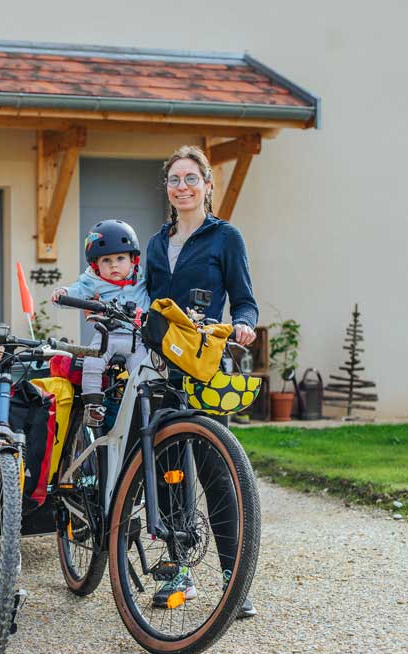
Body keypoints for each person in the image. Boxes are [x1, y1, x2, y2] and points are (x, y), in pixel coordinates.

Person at [145, 144, 259, 619]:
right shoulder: (156, 243)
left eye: (192, 178)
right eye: (175, 180)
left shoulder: (224, 237)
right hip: (160, 369)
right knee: (170, 474)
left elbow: (245, 299)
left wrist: (244, 324)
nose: (183, 187)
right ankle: (179, 573)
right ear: (167, 189)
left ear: (208, 186)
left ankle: (237, 584)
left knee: (216, 474)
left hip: (205, 366)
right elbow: (149, 301)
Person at [51, 219, 151, 426]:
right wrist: (64, 293)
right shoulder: (93, 281)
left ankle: (144, 409)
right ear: (96, 265)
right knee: (92, 363)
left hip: (136, 340)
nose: (114, 265)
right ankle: (93, 405)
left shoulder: (143, 278)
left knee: (143, 372)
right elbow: (78, 290)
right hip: (107, 335)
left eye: (120, 258)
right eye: (106, 260)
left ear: (133, 260)